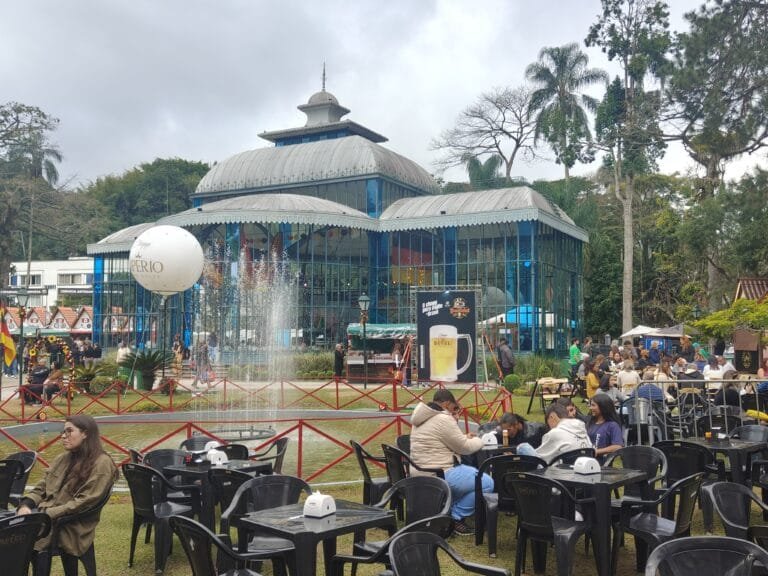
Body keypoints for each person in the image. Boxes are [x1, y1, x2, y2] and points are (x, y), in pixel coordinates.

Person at [16, 415, 118, 571]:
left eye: (69, 431)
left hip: (72, 525)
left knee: (19, 538)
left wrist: (46, 514)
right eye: (63, 432)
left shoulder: (102, 463)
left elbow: (83, 502)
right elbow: (42, 487)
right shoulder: (63, 458)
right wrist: (26, 504)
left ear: (85, 433)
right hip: (48, 515)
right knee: (11, 533)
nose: (63, 436)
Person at [409, 389, 493, 536]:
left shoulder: (421, 418)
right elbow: (465, 448)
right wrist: (481, 440)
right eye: (454, 409)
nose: (455, 413)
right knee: (486, 483)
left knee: (469, 478)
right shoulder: (443, 418)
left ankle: (447, 511)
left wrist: (464, 438)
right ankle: (454, 517)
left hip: (420, 471)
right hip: (439, 473)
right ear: (447, 404)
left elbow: (441, 441)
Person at [517, 403, 592, 464]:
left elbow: (540, 458)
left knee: (523, 447)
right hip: (583, 468)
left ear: (552, 417)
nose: (549, 427)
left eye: (547, 422)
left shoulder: (555, 433)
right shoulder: (581, 427)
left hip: (559, 475)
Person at [587, 394, 624, 462]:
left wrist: (597, 451)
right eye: (590, 405)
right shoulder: (590, 423)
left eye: (593, 405)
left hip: (603, 465)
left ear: (603, 406)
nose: (590, 408)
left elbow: (618, 446)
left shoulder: (612, 425)